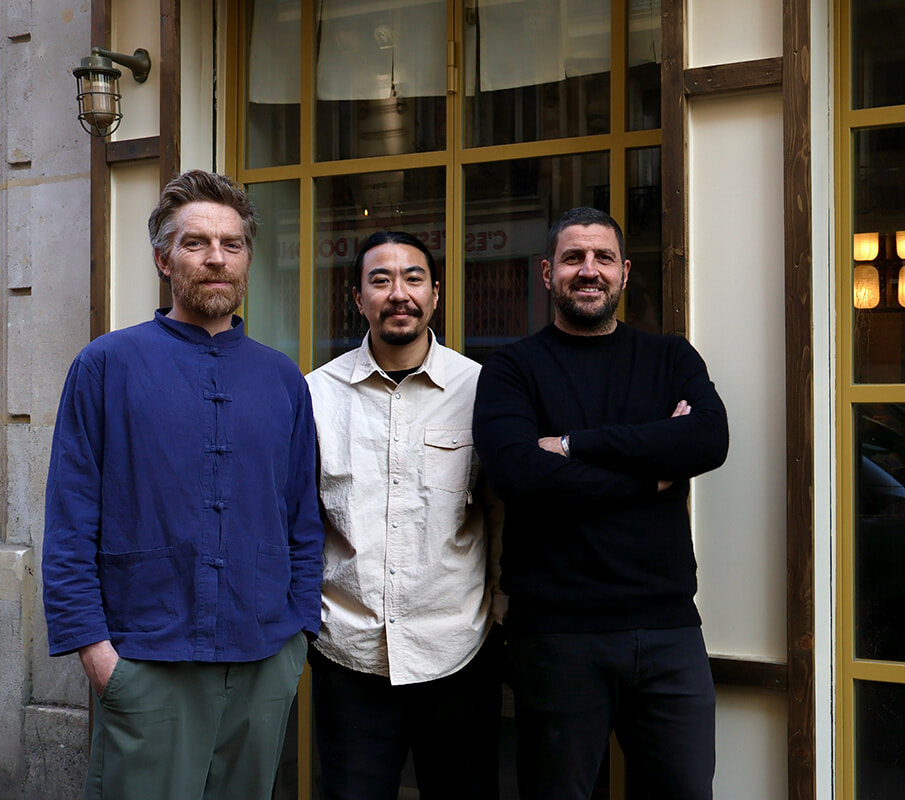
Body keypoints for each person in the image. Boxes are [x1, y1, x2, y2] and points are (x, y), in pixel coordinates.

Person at [42, 169, 325, 800]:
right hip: (147, 659)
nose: (216, 258)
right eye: (195, 243)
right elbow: (69, 519)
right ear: (163, 260)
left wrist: (300, 634)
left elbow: (303, 519)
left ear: (247, 258)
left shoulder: (283, 379)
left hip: (265, 656)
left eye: (232, 244)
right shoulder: (105, 365)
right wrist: (95, 650)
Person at [472, 207, 729, 800]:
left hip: (668, 632)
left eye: (603, 258)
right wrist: (649, 474)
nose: (589, 270)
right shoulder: (512, 368)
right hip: (556, 636)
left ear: (624, 272)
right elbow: (519, 475)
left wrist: (571, 446)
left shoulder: (671, 357)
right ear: (548, 273)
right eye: (573, 258)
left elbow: (707, 440)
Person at [306, 231, 504, 799]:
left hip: (457, 650)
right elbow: (300, 519)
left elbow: (499, 507)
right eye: (381, 280)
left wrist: (499, 608)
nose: (399, 293)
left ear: (435, 294)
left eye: (413, 278)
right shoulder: (316, 395)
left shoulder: (480, 390)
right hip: (349, 654)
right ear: (358, 298)